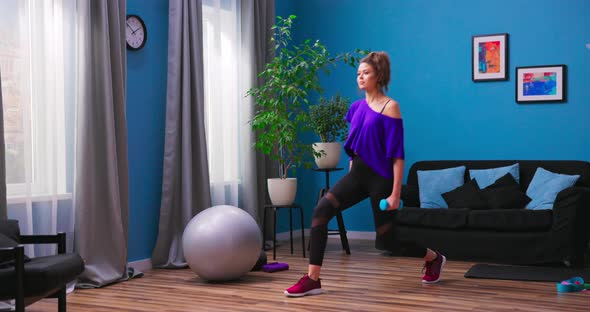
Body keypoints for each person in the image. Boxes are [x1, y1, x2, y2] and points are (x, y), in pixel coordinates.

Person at [284, 51, 446, 297]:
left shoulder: (390, 107)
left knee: (387, 241)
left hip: (381, 179)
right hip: (358, 174)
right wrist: (351, 169)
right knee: (321, 212)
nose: (360, 77)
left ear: (378, 75)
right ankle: (312, 279)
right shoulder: (356, 107)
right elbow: (356, 142)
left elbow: (397, 155)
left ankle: (434, 258)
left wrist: (395, 193)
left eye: (366, 72)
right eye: (358, 73)